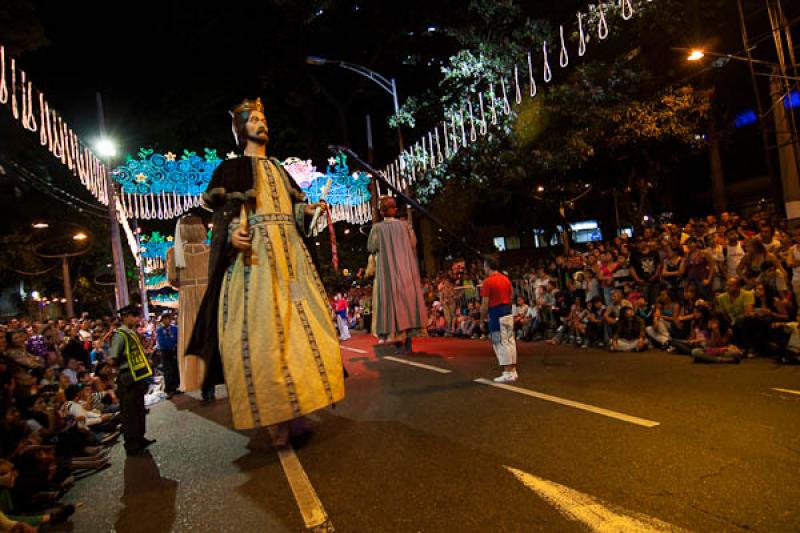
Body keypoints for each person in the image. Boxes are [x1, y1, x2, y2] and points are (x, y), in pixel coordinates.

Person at [187, 97, 345, 446]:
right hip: (254, 265)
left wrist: (309, 210)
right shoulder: (230, 170)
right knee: (264, 340)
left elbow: (296, 208)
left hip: (292, 260)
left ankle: (299, 409)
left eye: (263, 117)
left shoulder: (278, 167)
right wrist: (232, 234)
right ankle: (274, 418)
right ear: (241, 128)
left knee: (303, 335)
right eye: (254, 119)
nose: (262, 123)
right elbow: (223, 216)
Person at [367, 196, 427, 353]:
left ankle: (398, 344)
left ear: (382, 211)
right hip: (406, 269)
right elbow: (414, 243)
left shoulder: (377, 228)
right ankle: (407, 342)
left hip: (388, 271)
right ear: (394, 209)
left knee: (392, 305)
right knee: (406, 303)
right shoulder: (405, 226)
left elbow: (371, 247)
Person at [166, 214, 210, 394]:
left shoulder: (174, 252)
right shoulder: (209, 250)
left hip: (187, 296)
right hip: (207, 294)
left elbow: (172, 280)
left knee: (190, 335)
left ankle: (193, 379)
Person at [109, 305, 154, 456]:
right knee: (130, 414)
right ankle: (132, 445)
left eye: (137, 316)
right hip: (127, 378)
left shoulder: (131, 333)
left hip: (137, 377)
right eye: (134, 316)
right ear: (125, 316)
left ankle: (140, 439)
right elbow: (112, 358)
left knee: (139, 411)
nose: (137, 319)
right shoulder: (120, 335)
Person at [480, 256, 518, 383]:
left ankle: (507, 372)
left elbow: (485, 303)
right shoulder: (505, 279)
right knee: (509, 341)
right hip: (507, 312)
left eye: (484, 265)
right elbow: (511, 295)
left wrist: (482, 319)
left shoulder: (488, 282)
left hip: (496, 314)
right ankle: (512, 370)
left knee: (500, 343)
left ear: (487, 266)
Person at [155, 314, 179, 398]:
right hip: (166, 352)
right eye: (164, 319)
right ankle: (169, 389)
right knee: (168, 371)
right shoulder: (160, 330)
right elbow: (161, 342)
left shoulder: (175, 329)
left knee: (175, 369)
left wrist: (175, 346)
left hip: (175, 351)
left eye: (168, 319)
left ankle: (175, 387)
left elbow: (177, 339)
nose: (166, 321)